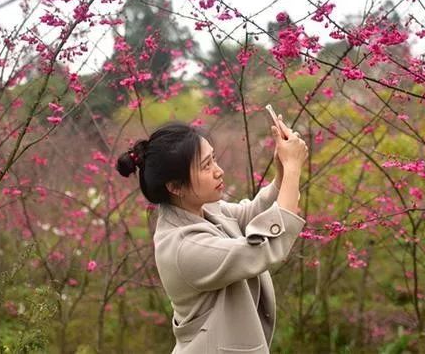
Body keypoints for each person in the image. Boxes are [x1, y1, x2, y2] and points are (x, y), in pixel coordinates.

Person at [116, 115, 308, 354]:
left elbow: (251, 214)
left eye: (214, 160)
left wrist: (281, 169)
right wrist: (292, 169)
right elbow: (264, 248)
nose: (219, 171)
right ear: (175, 186)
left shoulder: (199, 208)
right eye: (206, 166)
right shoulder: (183, 247)